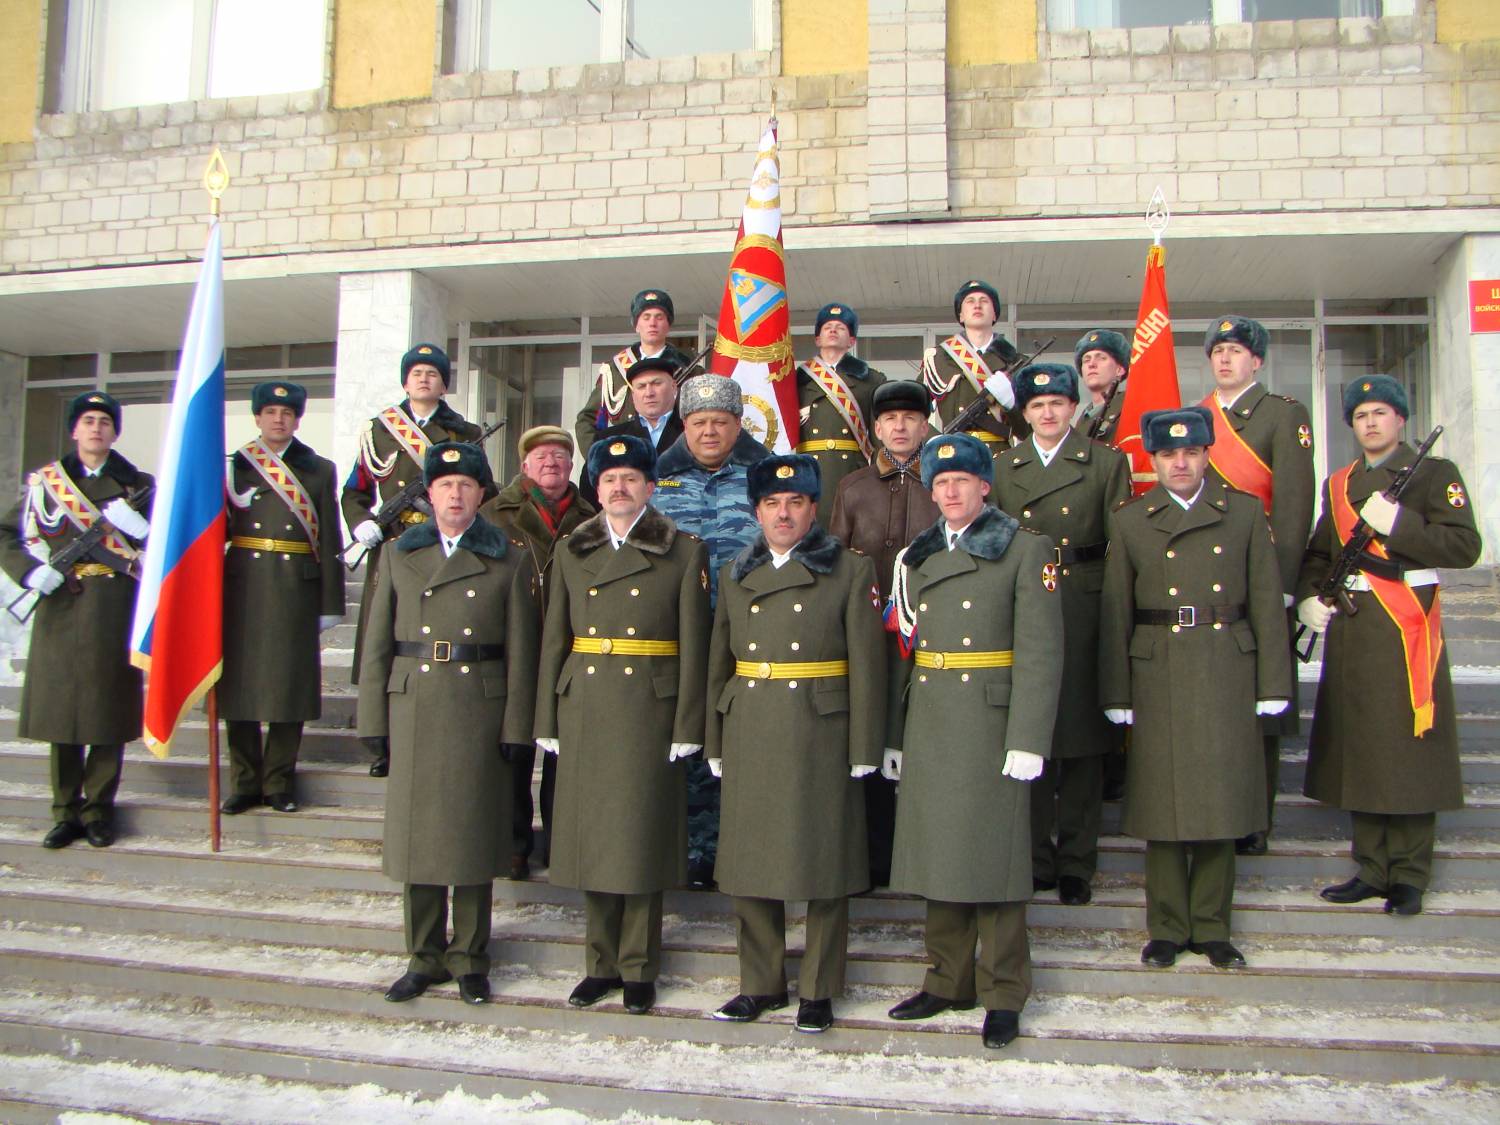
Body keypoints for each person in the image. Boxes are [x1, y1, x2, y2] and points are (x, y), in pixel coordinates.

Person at [884, 432, 1063, 1050]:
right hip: (933, 716)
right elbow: (905, 653)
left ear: (985, 486)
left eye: (962, 480)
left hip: (993, 721)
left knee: (996, 860)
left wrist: (1029, 737)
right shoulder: (918, 557)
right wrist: (895, 734)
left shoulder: (1024, 549)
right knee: (941, 855)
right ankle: (946, 978)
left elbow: (1041, 653)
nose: (951, 491)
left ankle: (1004, 990)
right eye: (940, 483)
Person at [1100, 407, 1291, 971]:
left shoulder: (1244, 513)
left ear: (1208, 454)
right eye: (1167, 454)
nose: (1179, 463)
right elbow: (1116, 612)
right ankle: (1165, 928)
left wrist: (1273, 683)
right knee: (1162, 803)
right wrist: (1117, 690)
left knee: (1219, 798)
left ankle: (1211, 926)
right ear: (1153, 460)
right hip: (1157, 666)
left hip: (1224, 662)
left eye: (1190, 452)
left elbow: (1265, 603)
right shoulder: (1132, 520)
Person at [706, 453, 886, 1033]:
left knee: (825, 861)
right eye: (771, 504)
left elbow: (868, 664)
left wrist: (866, 746)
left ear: (814, 508)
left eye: (795, 503)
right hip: (752, 723)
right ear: (756, 511)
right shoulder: (735, 571)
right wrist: (714, 735)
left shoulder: (851, 570)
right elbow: (719, 662)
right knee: (749, 860)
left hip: (820, 727)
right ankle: (759, 984)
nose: (783, 514)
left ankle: (818, 989)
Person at [535, 434, 711, 1016]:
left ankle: (637, 967)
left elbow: (695, 644)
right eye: (609, 480)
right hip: (584, 701)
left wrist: (689, 722)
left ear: (650, 487)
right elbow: (553, 638)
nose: (619, 487)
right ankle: (598, 965)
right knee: (594, 841)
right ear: (597, 488)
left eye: (631, 478)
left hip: (650, 709)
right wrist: (546, 715)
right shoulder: (571, 551)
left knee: (638, 840)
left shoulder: (684, 550)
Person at [357, 441, 538, 1006]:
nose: (455, 494)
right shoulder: (397, 554)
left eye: (465, 485)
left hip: (478, 707)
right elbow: (376, 643)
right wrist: (372, 720)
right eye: (444, 485)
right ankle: (424, 955)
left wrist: (516, 727)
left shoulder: (509, 557)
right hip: (414, 703)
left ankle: (471, 957)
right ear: (428, 495)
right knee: (420, 840)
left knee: (473, 837)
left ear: (482, 494)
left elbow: (522, 652)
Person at [1298, 376, 1481, 917]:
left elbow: (1464, 545)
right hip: (1355, 628)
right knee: (1363, 746)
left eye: (1380, 412)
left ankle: (1409, 873)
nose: (1370, 423)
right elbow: (1318, 552)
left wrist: (1401, 524)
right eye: (1361, 415)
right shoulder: (1340, 482)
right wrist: (1310, 596)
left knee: (1408, 748)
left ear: (1400, 419)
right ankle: (1371, 867)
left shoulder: (1433, 474)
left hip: (1406, 627)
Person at [992, 364, 1129, 906]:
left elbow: (1121, 548)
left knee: (1081, 742)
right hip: (1027, 604)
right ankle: (1035, 858)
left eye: (1057, 403)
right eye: (1036, 405)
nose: (1048, 413)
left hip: (1084, 603)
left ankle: (1077, 861)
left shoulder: (1106, 462)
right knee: (1031, 732)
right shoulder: (1005, 467)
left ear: (1075, 407)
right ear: (1024, 414)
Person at [0, 391, 152, 850]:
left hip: (113, 605)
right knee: (61, 714)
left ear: (115, 431)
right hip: (60, 604)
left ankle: (99, 810)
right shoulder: (46, 483)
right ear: (74, 429)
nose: (96, 429)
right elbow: (8, 533)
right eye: (87, 421)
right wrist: (31, 572)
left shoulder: (138, 485)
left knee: (107, 712)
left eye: (105, 422)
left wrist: (141, 528)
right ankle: (65, 812)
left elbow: (167, 542)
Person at [341, 343, 486, 777]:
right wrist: (360, 523)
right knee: (384, 642)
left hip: (443, 549)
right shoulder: (378, 431)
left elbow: (484, 490)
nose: (424, 379)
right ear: (406, 380)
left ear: (445, 383)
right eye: (417, 372)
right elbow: (355, 490)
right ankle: (382, 740)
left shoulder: (464, 432)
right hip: (393, 548)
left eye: (433, 373)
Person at [1198, 316, 1314, 856]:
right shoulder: (1197, 418)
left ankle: (1256, 820)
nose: (1225, 360)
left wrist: (1285, 585)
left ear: (1257, 360)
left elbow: (1293, 507)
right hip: (1203, 584)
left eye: (1236, 351)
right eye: (1218, 351)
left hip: (1261, 579)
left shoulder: (1282, 415)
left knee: (1260, 703)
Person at [652, 373, 770, 886]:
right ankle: (697, 851)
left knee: (747, 745)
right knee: (690, 741)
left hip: (750, 636)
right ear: (683, 425)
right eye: (699, 423)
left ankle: (746, 848)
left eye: (720, 423)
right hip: (681, 636)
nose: (708, 432)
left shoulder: (767, 477)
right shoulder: (656, 478)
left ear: (738, 425)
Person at [827, 378, 938, 885]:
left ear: (924, 425)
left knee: (924, 744)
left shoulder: (943, 480)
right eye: (890, 419)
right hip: (869, 635)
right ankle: (874, 856)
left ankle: (921, 857)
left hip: (933, 635)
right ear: (874, 428)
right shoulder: (852, 487)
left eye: (910, 418)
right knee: (871, 740)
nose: (900, 426)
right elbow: (833, 561)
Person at [218, 381, 345, 815]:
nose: (278, 419)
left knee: (288, 690)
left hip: (295, 587)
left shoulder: (318, 469)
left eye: (287, 413)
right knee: (241, 690)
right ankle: (244, 781)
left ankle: (278, 782)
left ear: (297, 419)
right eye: (270, 412)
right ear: (257, 417)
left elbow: (328, 535)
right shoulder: (234, 467)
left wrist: (330, 602)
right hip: (242, 590)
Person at [481, 425, 598, 880]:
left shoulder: (591, 514)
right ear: (524, 465)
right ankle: (513, 842)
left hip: (571, 643)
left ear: (573, 465)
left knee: (564, 749)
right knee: (513, 748)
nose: (552, 463)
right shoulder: (495, 514)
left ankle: (558, 838)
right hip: (515, 640)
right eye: (541, 456)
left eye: (560, 456)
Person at [574, 289, 697, 457]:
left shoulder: (691, 368)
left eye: (659, 317)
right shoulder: (615, 370)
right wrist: (599, 458)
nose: (652, 323)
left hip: (678, 457)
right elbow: (588, 419)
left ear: (668, 324)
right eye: (646, 317)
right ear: (636, 325)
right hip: (627, 460)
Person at [793, 302, 885, 523]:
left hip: (851, 468)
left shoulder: (871, 379)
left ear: (852, 341)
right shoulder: (796, 379)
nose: (833, 330)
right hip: (809, 469)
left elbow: (878, 431)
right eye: (827, 327)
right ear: (817, 339)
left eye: (841, 327)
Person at [921, 280, 1026, 458]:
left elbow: (1029, 430)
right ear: (961, 315)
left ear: (994, 314)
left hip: (1000, 457)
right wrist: (934, 439)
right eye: (970, 301)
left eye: (984, 301)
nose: (977, 305)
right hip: (954, 454)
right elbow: (914, 408)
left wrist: (1011, 404)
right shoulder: (939, 358)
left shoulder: (1016, 362)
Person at [580, 354, 685, 507]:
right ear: (633, 394)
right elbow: (589, 495)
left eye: (656, 383)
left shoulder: (694, 433)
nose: (649, 393)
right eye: (641, 386)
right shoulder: (608, 439)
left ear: (673, 386)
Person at [1073, 328, 1129, 445]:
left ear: (1120, 370)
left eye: (1101, 358)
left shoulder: (1130, 410)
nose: (1092, 364)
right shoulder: (1082, 420)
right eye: (1086, 360)